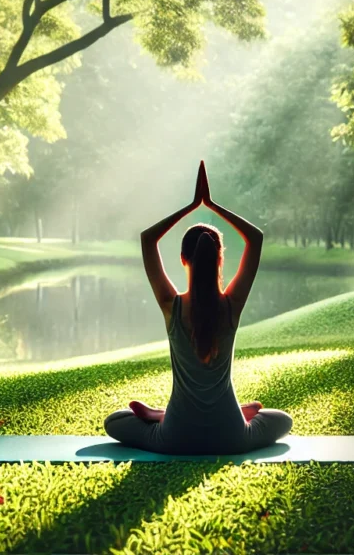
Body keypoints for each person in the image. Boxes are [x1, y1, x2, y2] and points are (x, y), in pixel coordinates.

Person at [104, 161, 293, 455]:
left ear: (182, 258)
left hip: (176, 437)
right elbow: (255, 238)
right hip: (231, 436)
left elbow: (147, 239)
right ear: (220, 260)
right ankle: (223, 412)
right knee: (282, 419)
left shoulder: (172, 305)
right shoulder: (231, 306)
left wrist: (192, 206)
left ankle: (161, 416)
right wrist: (213, 205)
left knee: (115, 421)